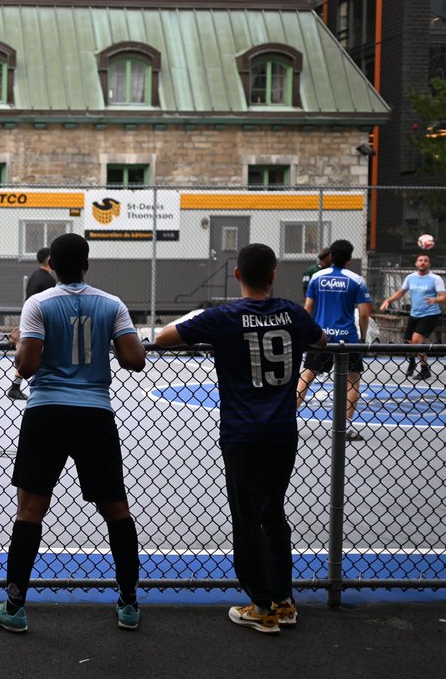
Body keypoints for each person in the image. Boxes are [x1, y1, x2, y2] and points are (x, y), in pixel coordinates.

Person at [155, 243, 326, 634]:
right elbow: (320, 341)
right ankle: (284, 600)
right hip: (283, 431)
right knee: (274, 513)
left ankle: (262, 605)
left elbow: (164, 338)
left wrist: (199, 321)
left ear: (237, 276)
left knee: (247, 517)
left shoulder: (223, 317)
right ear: (273, 274)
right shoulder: (293, 313)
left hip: (242, 432)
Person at [0, 234, 146, 634]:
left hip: (47, 412)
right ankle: (127, 603)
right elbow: (134, 360)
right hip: (95, 413)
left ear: (51, 264)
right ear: (87, 263)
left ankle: (15, 607)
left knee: (30, 510)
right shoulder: (112, 304)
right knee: (116, 509)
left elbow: (28, 366)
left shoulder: (38, 304)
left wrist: (20, 344)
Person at [295, 239, 372, 442]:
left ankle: (285, 420)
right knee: (352, 379)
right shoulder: (357, 280)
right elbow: (364, 314)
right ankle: (344, 427)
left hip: (321, 337)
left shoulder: (317, 277)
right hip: (347, 338)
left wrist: (308, 333)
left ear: (330, 256)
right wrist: (363, 338)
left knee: (307, 376)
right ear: (349, 258)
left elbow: (307, 309)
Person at [379, 253, 445, 380]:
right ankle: (412, 361)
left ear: (429, 264)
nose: (423, 262)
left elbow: (444, 297)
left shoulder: (435, 279)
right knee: (410, 342)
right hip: (415, 314)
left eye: (426, 261)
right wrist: (388, 301)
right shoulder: (410, 278)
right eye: (420, 260)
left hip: (430, 314)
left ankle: (425, 370)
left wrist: (435, 300)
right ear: (416, 263)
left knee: (416, 340)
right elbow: (401, 292)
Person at [6, 248, 57, 400]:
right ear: (50, 260)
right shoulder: (48, 280)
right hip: (39, 322)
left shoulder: (35, 276)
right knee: (36, 355)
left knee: (28, 353)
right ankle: (20, 386)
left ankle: (15, 386)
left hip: (29, 319)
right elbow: (51, 304)